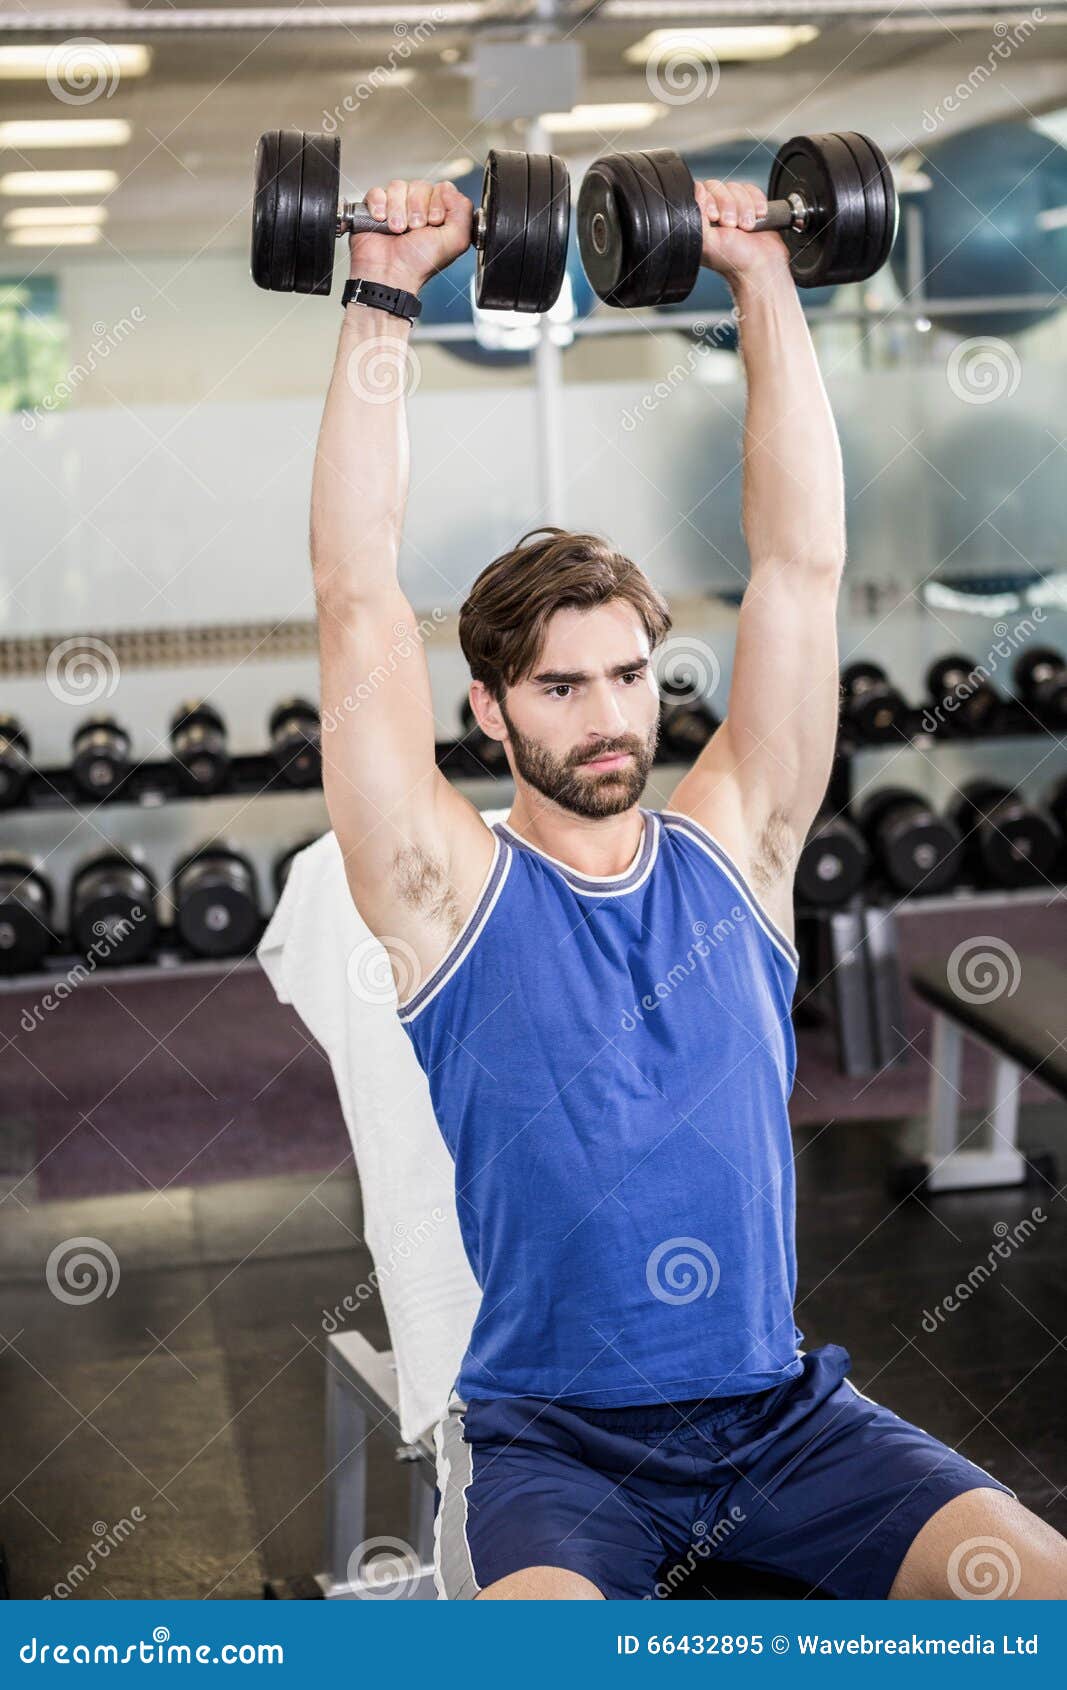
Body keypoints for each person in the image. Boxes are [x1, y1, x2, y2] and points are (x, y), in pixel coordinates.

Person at [309, 169, 1067, 1600]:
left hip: (787, 1422)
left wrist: (763, 277)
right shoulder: (440, 889)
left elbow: (799, 563)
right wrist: (387, 288)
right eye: (561, 687)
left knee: (1042, 1603)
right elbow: (355, 591)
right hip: (559, 1447)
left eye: (629, 676)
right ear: (489, 711)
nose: (608, 717)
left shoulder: (742, 845)